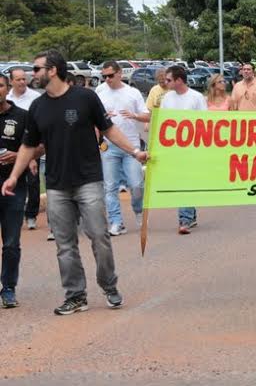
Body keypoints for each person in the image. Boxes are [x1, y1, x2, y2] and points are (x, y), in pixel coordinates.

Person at [2, 50, 148, 315]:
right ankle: (75, 295)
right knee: (64, 244)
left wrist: (135, 152)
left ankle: (109, 286)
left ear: (53, 70)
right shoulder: (38, 106)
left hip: (88, 180)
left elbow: (109, 129)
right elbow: (28, 145)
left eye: (36, 69)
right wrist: (13, 176)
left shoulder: (86, 98)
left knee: (99, 237)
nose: (32, 74)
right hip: (57, 185)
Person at [96, 61, 150, 237]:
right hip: (108, 146)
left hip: (132, 146)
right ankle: (116, 222)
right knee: (110, 187)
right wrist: (102, 118)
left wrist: (134, 115)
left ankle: (138, 210)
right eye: (104, 76)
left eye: (110, 75)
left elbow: (146, 115)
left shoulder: (132, 92)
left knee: (136, 185)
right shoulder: (100, 91)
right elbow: (94, 118)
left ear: (120, 73)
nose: (107, 79)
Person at [161, 66, 207, 235]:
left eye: (168, 80)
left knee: (185, 181)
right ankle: (190, 214)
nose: (165, 83)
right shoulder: (167, 98)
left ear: (179, 80)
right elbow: (163, 122)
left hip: (192, 147)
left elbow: (205, 122)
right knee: (181, 182)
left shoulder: (196, 97)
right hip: (173, 147)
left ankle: (185, 219)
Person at [0, 74, 30, 308]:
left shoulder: (21, 116)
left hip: (13, 187)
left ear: (6, 88)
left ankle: (8, 288)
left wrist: (18, 156)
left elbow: (36, 145)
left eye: (0, 86)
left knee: (11, 242)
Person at [7, 68, 41, 231]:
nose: (22, 82)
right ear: (11, 81)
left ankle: (31, 215)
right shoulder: (6, 98)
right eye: (18, 79)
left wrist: (33, 156)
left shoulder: (35, 98)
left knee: (32, 182)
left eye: (24, 79)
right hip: (9, 150)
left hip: (31, 147)